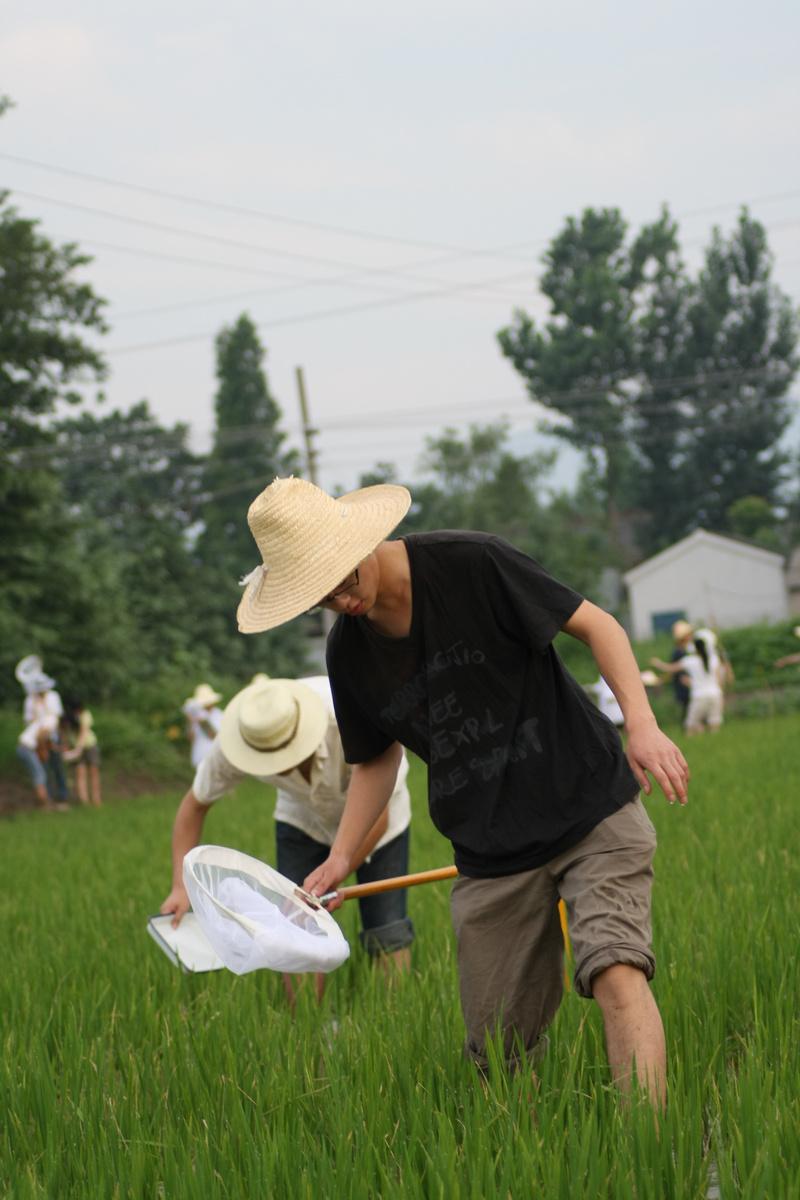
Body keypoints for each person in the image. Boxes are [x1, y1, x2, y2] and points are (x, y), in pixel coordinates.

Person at [234, 477, 689, 1108]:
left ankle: (651, 1142)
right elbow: (376, 759)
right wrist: (340, 857)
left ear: (358, 541)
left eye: (342, 579)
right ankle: (533, 1150)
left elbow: (597, 624)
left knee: (615, 967)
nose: (341, 599)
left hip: (589, 808)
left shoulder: (473, 563)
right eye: (321, 596)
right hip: (489, 850)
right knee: (498, 1051)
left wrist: (642, 723)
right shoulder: (349, 653)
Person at [160, 674, 414, 1004]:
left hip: (378, 816)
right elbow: (193, 806)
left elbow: (379, 817)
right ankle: (308, 1023)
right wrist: (181, 887)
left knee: (387, 929)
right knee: (293, 927)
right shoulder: (238, 738)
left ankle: (393, 1017)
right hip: (302, 820)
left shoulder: (347, 719)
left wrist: (334, 872)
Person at [651, 630, 725, 735]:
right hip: (715, 694)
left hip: (699, 696)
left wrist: (657, 663)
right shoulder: (714, 659)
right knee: (714, 724)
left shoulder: (690, 660)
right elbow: (719, 679)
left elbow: (670, 668)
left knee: (690, 727)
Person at [16, 671, 69, 810]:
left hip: (43, 741)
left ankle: (58, 798)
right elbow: (37, 731)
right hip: (33, 745)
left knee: (53, 768)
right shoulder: (31, 701)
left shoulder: (53, 700)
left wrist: (55, 745)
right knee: (41, 774)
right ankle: (47, 803)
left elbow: (49, 730)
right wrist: (43, 750)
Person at [61, 696, 102, 807]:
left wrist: (77, 750)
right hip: (75, 747)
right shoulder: (65, 718)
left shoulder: (85, 715)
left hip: (89, 746)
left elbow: (84, 733)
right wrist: (66, 747)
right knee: (80, 774)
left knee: (94, 773)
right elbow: (64, 733)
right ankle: (84, 802)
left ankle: (96, 800)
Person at [183, 683, 224, 768]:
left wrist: (202, 722)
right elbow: (190, 738)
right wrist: (190, 722)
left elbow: (215, 736)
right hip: (199, 758)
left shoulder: (219, 715)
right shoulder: (196, 714)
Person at [669, 620, 694, 723]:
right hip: (684, 684)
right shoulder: (679, 652)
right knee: (688, 707)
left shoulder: (685, 650)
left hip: (687, 683)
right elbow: (679, 670)